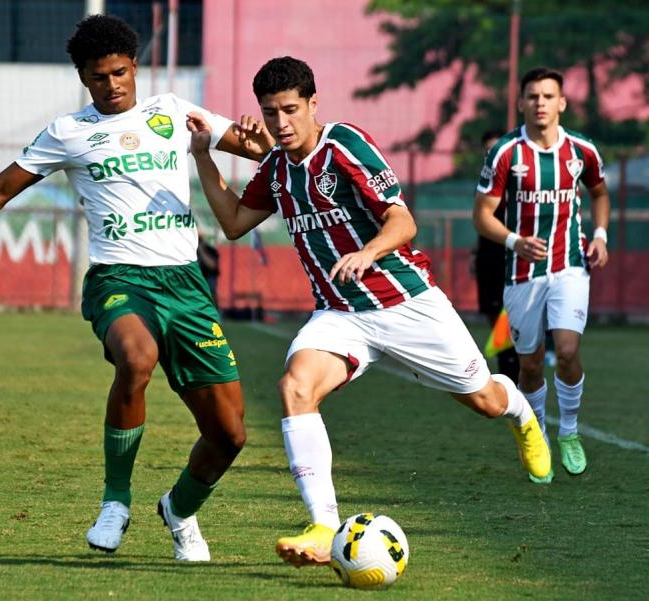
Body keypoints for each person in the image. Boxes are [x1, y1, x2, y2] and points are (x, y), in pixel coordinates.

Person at [0, 15, 272, 561]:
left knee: (229, 434)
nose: (111, 85)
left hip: (185, 287)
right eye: (98, 77)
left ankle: (180, 510)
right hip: (118, 281)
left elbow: (262, 150)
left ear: (134, 67)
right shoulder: (68, 132)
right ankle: (116, 500)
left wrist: (259, 143)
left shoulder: (173, 113)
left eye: (118, 72)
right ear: (84, 79)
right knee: (136, 359)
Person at [188, 56, 550, 567]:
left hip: (407, 303)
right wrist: (204, 155)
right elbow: (231, 222)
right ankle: (323, 524)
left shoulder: (346, 145)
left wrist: (368, 251)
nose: (281, 123)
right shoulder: (275, 169)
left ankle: (521, 411)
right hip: (341, 314)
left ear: (314, 103)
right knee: (295, 386)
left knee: (484, 400)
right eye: (270, 113)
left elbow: (402, 222)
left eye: (290, 110)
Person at [473, 67, 610, 483]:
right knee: (529, 365)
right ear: (521, 103)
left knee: (566, 351)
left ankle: (568, 432)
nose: (540, 103)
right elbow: (482, 216)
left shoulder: (581, 150)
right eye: (533, 96)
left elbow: (599, 192)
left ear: (562, 103)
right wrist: (514, 241)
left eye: (548, 96)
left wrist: (600, 235)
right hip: (522, 273)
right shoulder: (505, 153)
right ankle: (539, 436)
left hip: (570, 265)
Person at [472, 129, 520, 382]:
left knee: (511, 314)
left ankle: (513, 370)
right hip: (488, 257)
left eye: (496, 148)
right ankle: (507, 365)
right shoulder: (486, 182)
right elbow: (481, 221)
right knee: (493, 313)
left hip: (513, 257)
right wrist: (475, 253)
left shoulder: (520, 181)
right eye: (488, 149)